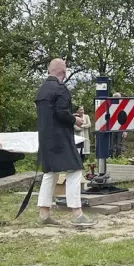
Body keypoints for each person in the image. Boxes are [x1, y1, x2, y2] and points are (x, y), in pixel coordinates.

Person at [35, 59, 94, 228]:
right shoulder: (60, 89)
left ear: (49, 70)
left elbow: (52, 113)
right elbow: (61, 113)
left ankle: (44, 214)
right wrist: (75, 120)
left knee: (50, 173)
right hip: (60, 138)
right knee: (74, 170)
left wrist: (69, 116)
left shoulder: (41, 89)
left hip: (45, 137)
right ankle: (77, 213)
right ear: (64, 72)